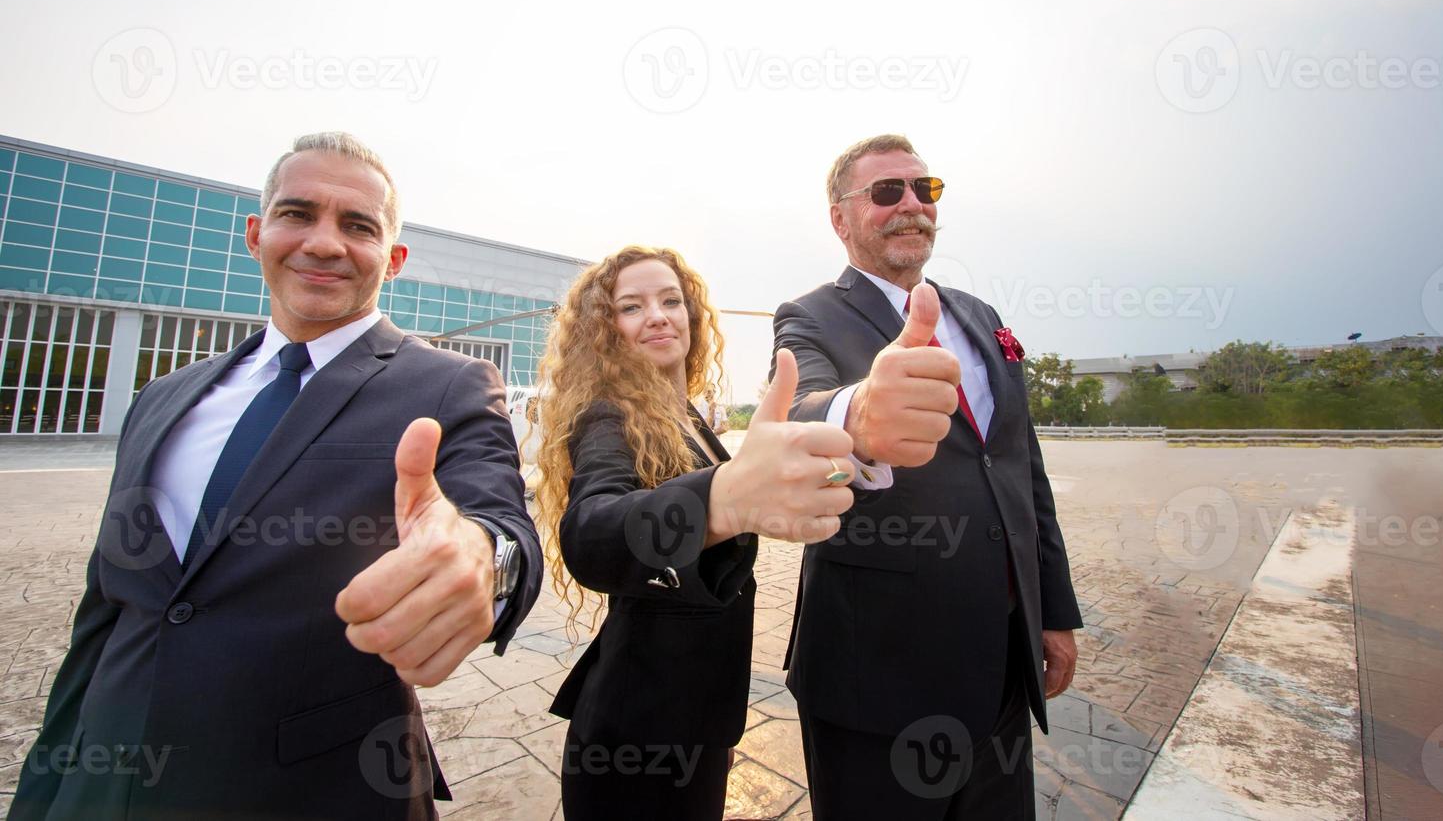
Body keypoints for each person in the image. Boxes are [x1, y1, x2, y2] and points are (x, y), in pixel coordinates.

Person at [11, 132, 541, 821]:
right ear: (257, 234)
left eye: (358, 226)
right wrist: (43, 792)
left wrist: (482, 561)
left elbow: (500, 523)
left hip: (314, 791)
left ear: (395, 258)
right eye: (299, 214)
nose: (324, 243)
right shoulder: (163, 398)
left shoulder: (450, 385)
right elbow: (105, 610)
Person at [772, 135, 1083, 820]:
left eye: (925, 190)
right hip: (875, 679)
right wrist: (858, 414)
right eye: (887, 193)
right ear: (840, 218)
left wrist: (1052, 614)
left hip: (1001, 665)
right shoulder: (810, 316)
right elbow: (799, 410)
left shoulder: (980, 317)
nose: (911, 205)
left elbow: (1023, 471)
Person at [536, 246, 855, 820]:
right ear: (606, 333)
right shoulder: (609, 415)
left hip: (693, 716)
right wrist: (724, 499)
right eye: (631, 307)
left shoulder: (684, 413)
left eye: (670, 300)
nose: (658, 315)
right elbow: (592, 534)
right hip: (639, 736)